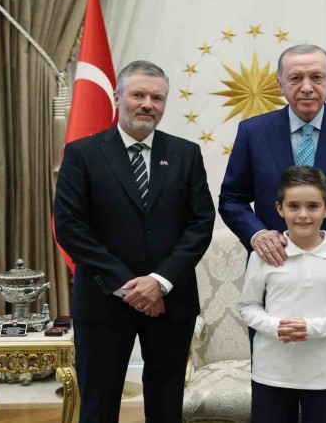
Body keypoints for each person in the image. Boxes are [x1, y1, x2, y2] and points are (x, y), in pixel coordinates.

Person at [219, 44, 326, 423]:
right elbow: (231, 198)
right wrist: (256, 234)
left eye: (317, 77)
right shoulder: (253, 131)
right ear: (280, 84)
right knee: (274, 396)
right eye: (295, 78)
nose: (307, 86)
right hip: (275, 282)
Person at [54, 60, 215, 423]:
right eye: (138, 94)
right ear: (117, 97)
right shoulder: (82, 153)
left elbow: (200, 223)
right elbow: (70, 227)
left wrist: (158, 281)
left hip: (170, 301)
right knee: (98, 405)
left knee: (166, 405)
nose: (147, 104)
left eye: (157, 98)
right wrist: (130, 286)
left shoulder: (186, 153)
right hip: (102, 301)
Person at [239, 166, 326, 423]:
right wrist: (277, 327)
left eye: (313, 206)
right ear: (279, 208)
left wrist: (311, 328)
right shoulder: (263, 256)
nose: (303, 215)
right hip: (271, 373)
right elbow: (248, 306)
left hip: (325, 375)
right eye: (294, 206)